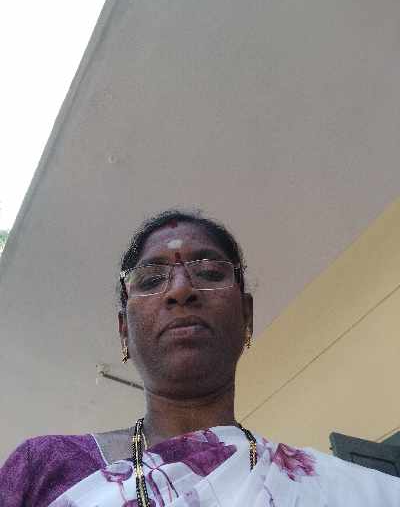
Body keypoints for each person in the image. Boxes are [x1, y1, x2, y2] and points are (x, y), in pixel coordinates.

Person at [1, 209, 399, 506]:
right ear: (124, 330)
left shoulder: (358, 493)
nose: (180, 290)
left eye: (209, 273)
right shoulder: (43, 470)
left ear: (246, 316)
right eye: (151, 280)